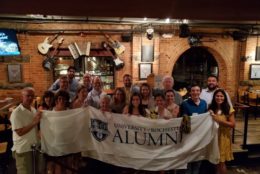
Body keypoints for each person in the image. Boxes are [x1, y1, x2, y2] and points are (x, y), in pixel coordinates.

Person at [10, 87, 42, 174]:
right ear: (22, 97)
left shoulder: (33, 109)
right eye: (28, 96)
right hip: (23, 148)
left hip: (34, 147)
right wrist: (34, 122)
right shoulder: (17, 113)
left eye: (32, 96)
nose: (30, 98)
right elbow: (19, 132)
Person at [180, 84, 207, 174]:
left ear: (200, 92)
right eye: (193, 91)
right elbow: (182, 118)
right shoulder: (185, 103)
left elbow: (206, 118)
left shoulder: (204, 103)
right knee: (188, 160)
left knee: (198, 159)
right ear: (190, 92)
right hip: (189, 136)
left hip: (200, 136)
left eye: (197, 90)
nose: (195, 92)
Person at [209, 89, 235, 174]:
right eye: (217, 96)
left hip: (223, 137)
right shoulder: (211, 107)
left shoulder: (228, 108)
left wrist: (219, 120)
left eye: (221, 96)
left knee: (221, 162)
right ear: (214, 97)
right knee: (216, 161)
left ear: (224, 97)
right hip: (214, 136)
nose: (219, 98)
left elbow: (232, 124)